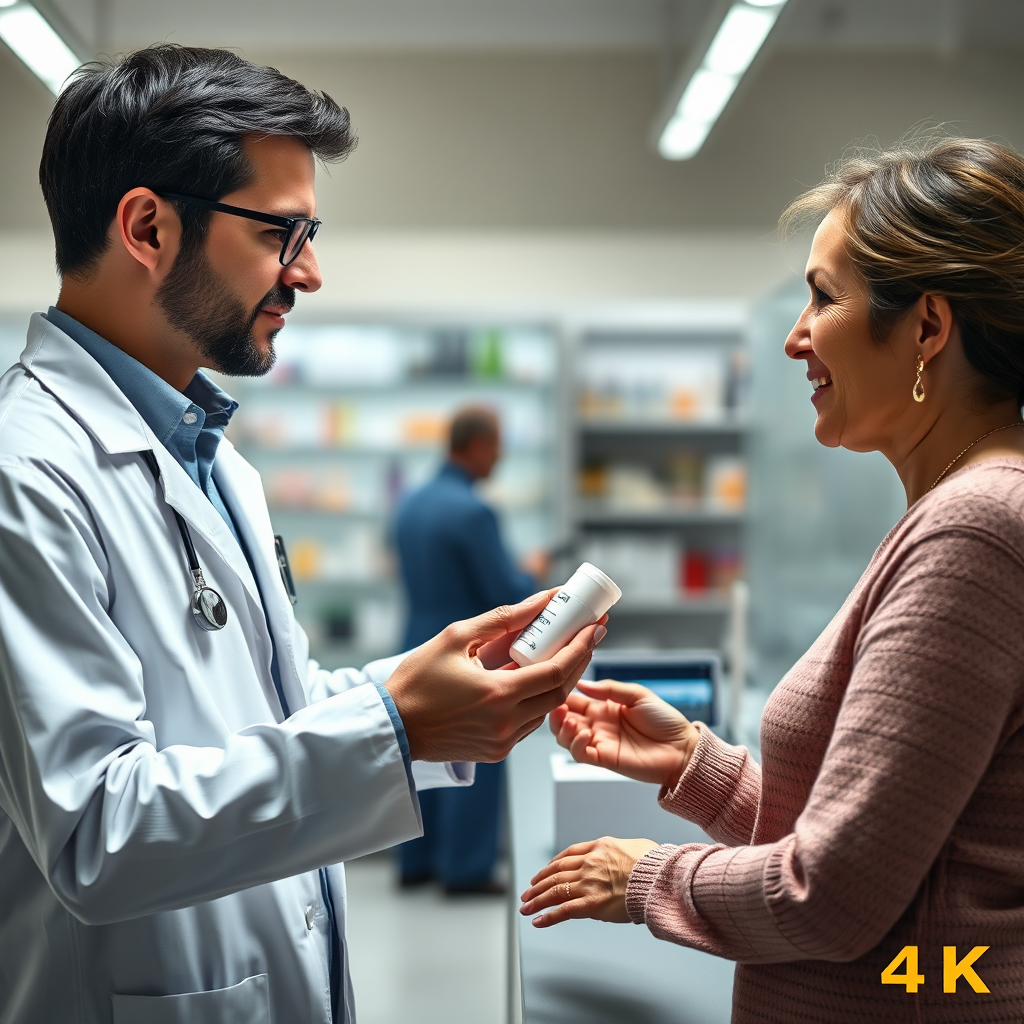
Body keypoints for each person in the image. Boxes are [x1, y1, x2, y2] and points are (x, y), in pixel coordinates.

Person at [0, 46, 605, 1024]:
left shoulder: (213, 458)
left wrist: (417, 695)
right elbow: (96, 830)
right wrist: (391, 725)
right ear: (147, 227)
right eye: (283, 233)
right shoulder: (23, 472)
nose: (310, 272)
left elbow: (267, 708)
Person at [520, 137, 1024, 1022]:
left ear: (929, 328)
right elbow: (890, 847)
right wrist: (695, 765)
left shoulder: (973, 531)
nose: (795, 337)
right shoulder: (959, 514)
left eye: (823, 298)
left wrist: (641, 874)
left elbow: (830, 897)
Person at [394, 406, 550, 892]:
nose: (500, 456)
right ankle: (465, 869)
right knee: (470, 755)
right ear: (478, 445)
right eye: (497, 444)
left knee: (413, 753)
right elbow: (503, 590)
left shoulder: (411, 502)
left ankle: (415, 863)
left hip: (415, 638)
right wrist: (533, 571)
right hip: (467, 650)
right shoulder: (475, 510)